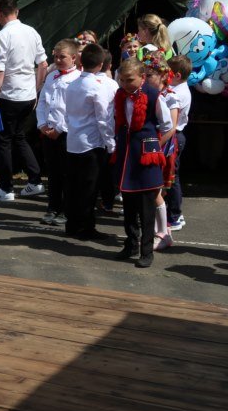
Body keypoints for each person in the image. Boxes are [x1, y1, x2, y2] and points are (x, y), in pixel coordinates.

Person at [0, 0, 48, 201]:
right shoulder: (32, 31)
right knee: (19, 136)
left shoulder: (2, 35)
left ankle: (6, 188)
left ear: (0, 14)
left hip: (10, 94)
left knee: (3, 140)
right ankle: (35, 181)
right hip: (28, 94)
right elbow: (43, 64)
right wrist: (36, 90)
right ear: (17, 12)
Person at [112, 58, 173, 268]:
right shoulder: (120, 94)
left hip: (146, 155)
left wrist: (154, 145)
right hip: (127, 154)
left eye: (130, 80)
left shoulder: (154, 95)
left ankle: (147, 251)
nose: (125, 84)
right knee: (128, 205)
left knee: (147, 207)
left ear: (142, 77)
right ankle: (131, 245)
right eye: (122, 80)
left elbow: (167, 125)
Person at [64, 44, 115, 240]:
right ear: (101, 64)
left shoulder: (73, 84)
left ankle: (72, 224)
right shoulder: (96, 86)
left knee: (74, 186)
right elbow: (103, 119)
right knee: (89, 189)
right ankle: (85, 228)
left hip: (74, 141)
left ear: (80, 61)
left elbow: (68, 114)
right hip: (91, 144)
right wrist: (110, 143)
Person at [35, 39, 80, 225]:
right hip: (48, 131)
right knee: (52, 172)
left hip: (66, 133)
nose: (58, 60)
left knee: (67, 173)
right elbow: (42, 102)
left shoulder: (77, 79)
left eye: (63, 57)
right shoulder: (52, 76)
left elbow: (74, 108)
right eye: (56, 57)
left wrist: (59, 129)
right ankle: (52, 207)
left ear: (74, 57)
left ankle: (66, 210)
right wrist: (42, 124)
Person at [142, 52, 180, 252]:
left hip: (162, 148)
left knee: (157, 191)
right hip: (151, 145)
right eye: (144, 75)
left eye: (149, 75)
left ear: (163, 75)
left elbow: (171, 128)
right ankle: (163, 230)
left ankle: (162, 233)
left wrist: (155, 145)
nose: (145, 79)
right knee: (155, 191)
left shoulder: (170, 96)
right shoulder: (147, 93)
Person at [165, 55, 193, 231]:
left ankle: (174, 216)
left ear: (177, 75)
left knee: (172, 177)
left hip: (174, 135)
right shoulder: (176, 88)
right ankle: (176, 213)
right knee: (173, 176)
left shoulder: (177, 93)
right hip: (176, 135)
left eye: (168, 72)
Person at [96, 51, 120, 215]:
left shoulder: (84, 82)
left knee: (100, 171)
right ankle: (107, 201)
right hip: (108, 133)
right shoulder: (112, 85)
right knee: (106, 171)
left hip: (93, 135)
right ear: (109, 65)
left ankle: (104, 200)